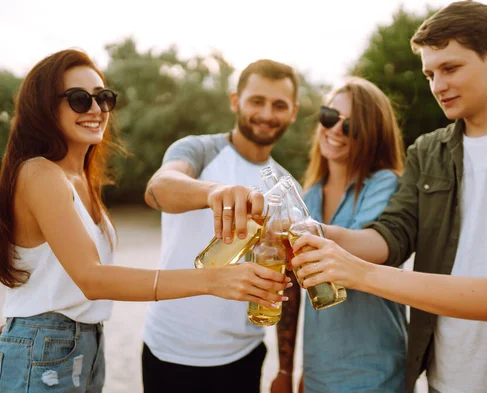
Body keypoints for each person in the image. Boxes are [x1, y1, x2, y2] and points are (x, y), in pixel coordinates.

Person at [291, 0, 487, 392]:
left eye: (450, 68)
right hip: (445, 369)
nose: (438, 86)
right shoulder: (427, 152)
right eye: (429, 74)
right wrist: (315, 231)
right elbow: (392, 234)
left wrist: (354, 271)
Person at [0, 50, 289, 393]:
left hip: (84, 342)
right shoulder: (39, 172)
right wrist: (212, 281)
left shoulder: (78, 177)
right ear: (44, 105)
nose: (96, 110)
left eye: (103, 98)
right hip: (43, 343)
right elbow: (92, 279)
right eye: (79, 99)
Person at [141, 59, 302, 393]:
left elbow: (289, 282)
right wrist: (215, 191)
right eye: (257, 101)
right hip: (170, 350)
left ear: (294, 112)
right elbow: (158, 190)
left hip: (243, 356)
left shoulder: (288, 187)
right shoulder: (198, 149)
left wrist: (286, 368)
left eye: (279, 105)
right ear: (235, 101)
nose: (267, 113)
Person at [286, 77, 408, 393]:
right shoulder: (308, 197)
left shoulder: (384, 184)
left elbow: (362, 252)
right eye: (330, 117)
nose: (335, 130)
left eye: (350, 126)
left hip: (375, 373)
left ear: (372, 135)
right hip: (319, 373)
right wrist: (295, 370)